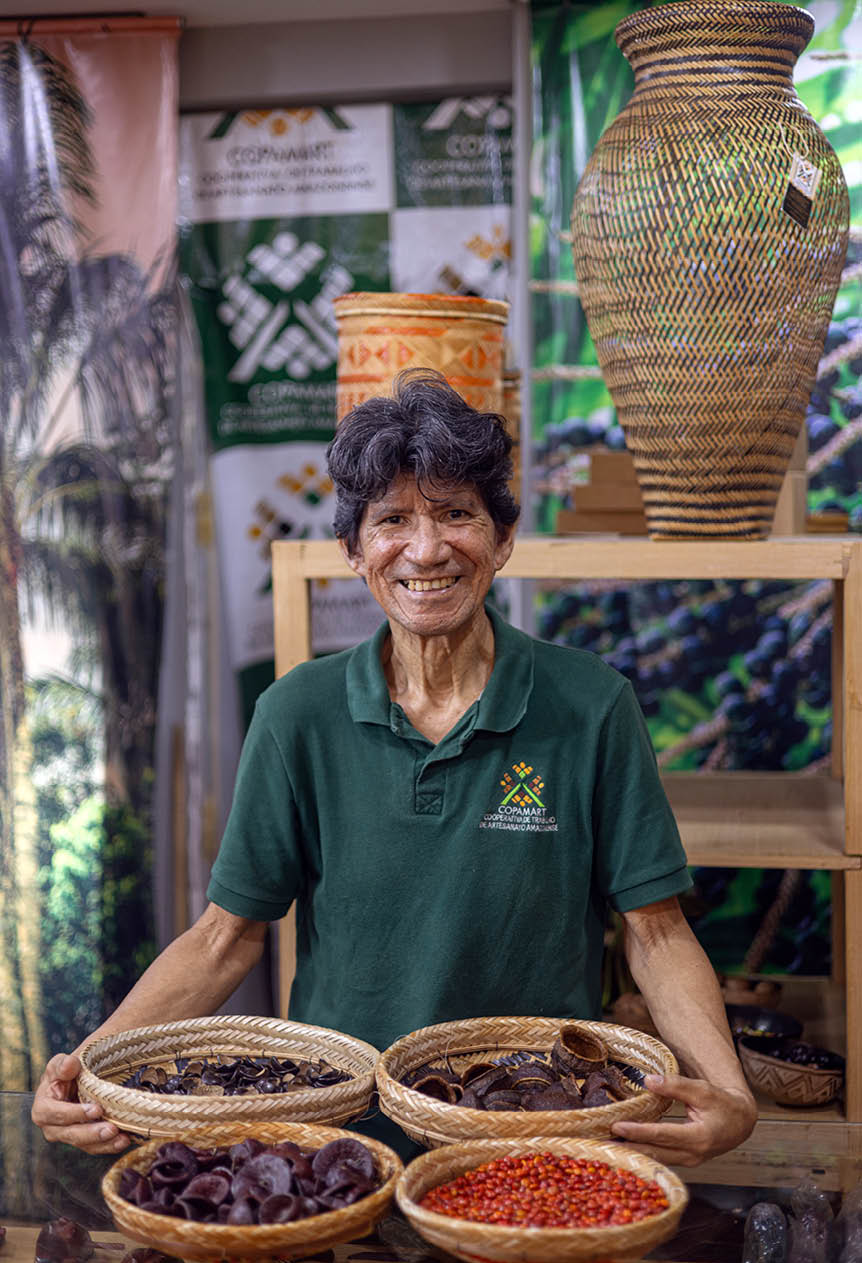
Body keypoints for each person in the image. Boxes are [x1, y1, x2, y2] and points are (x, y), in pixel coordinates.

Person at [32, 368, 756, 1166]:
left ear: (502, 537)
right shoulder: (296, 714)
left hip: (537, 1133)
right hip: (338, 1144)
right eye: (392, 520)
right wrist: (84, 1066)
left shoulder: (591, 705)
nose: (426, 547)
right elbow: (222, 941)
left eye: (456, 514)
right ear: (353, 549)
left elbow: (655, 931)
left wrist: (730, 1091)